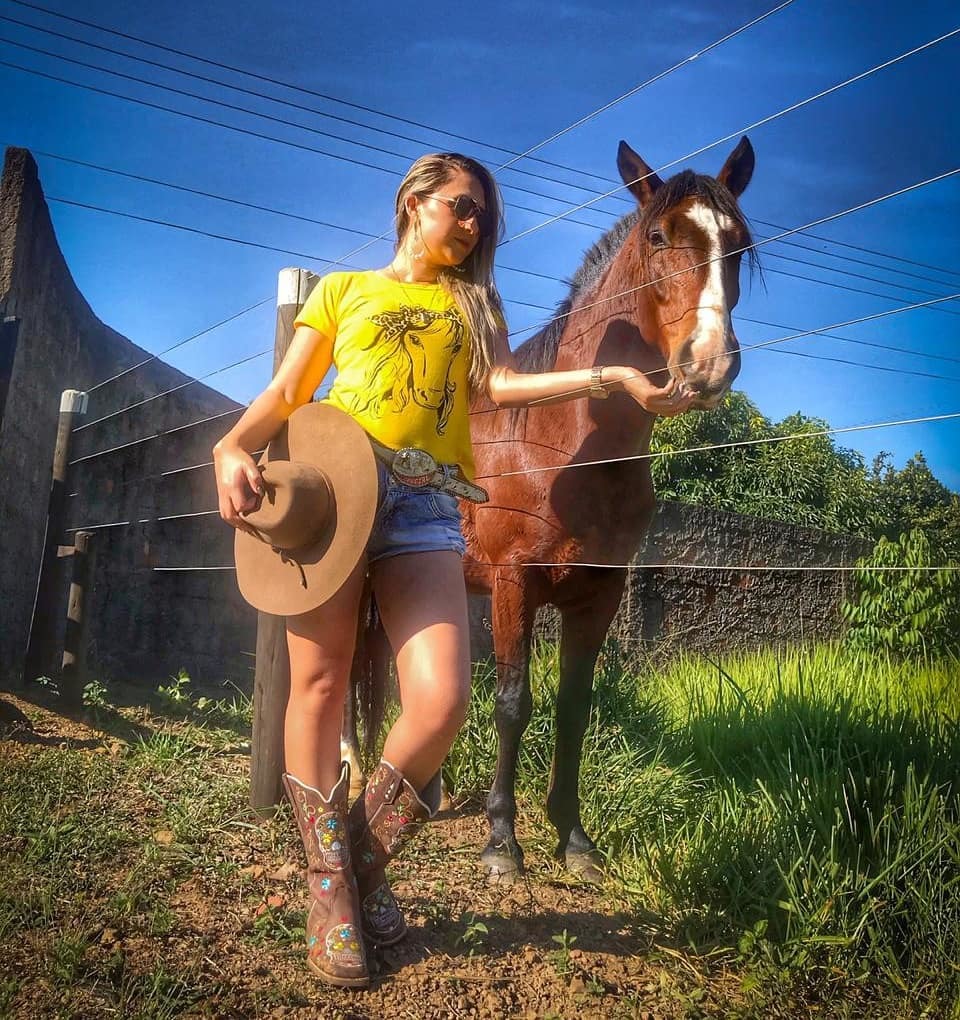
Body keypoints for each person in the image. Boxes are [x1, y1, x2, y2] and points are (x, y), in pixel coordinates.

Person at [213, 151, 693, 988]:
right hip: (334, 495)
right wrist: (232, 444)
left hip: (426, 510)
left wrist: (615, 375)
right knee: (319, 686)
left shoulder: (475, 303)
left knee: (442, 699)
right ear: (414, 202)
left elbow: (504, 385)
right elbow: (290, 392)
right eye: (462, 207)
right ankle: (333, 896)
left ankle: (355, 863)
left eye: (484, 217)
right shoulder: (343, 291)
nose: (474, 225)